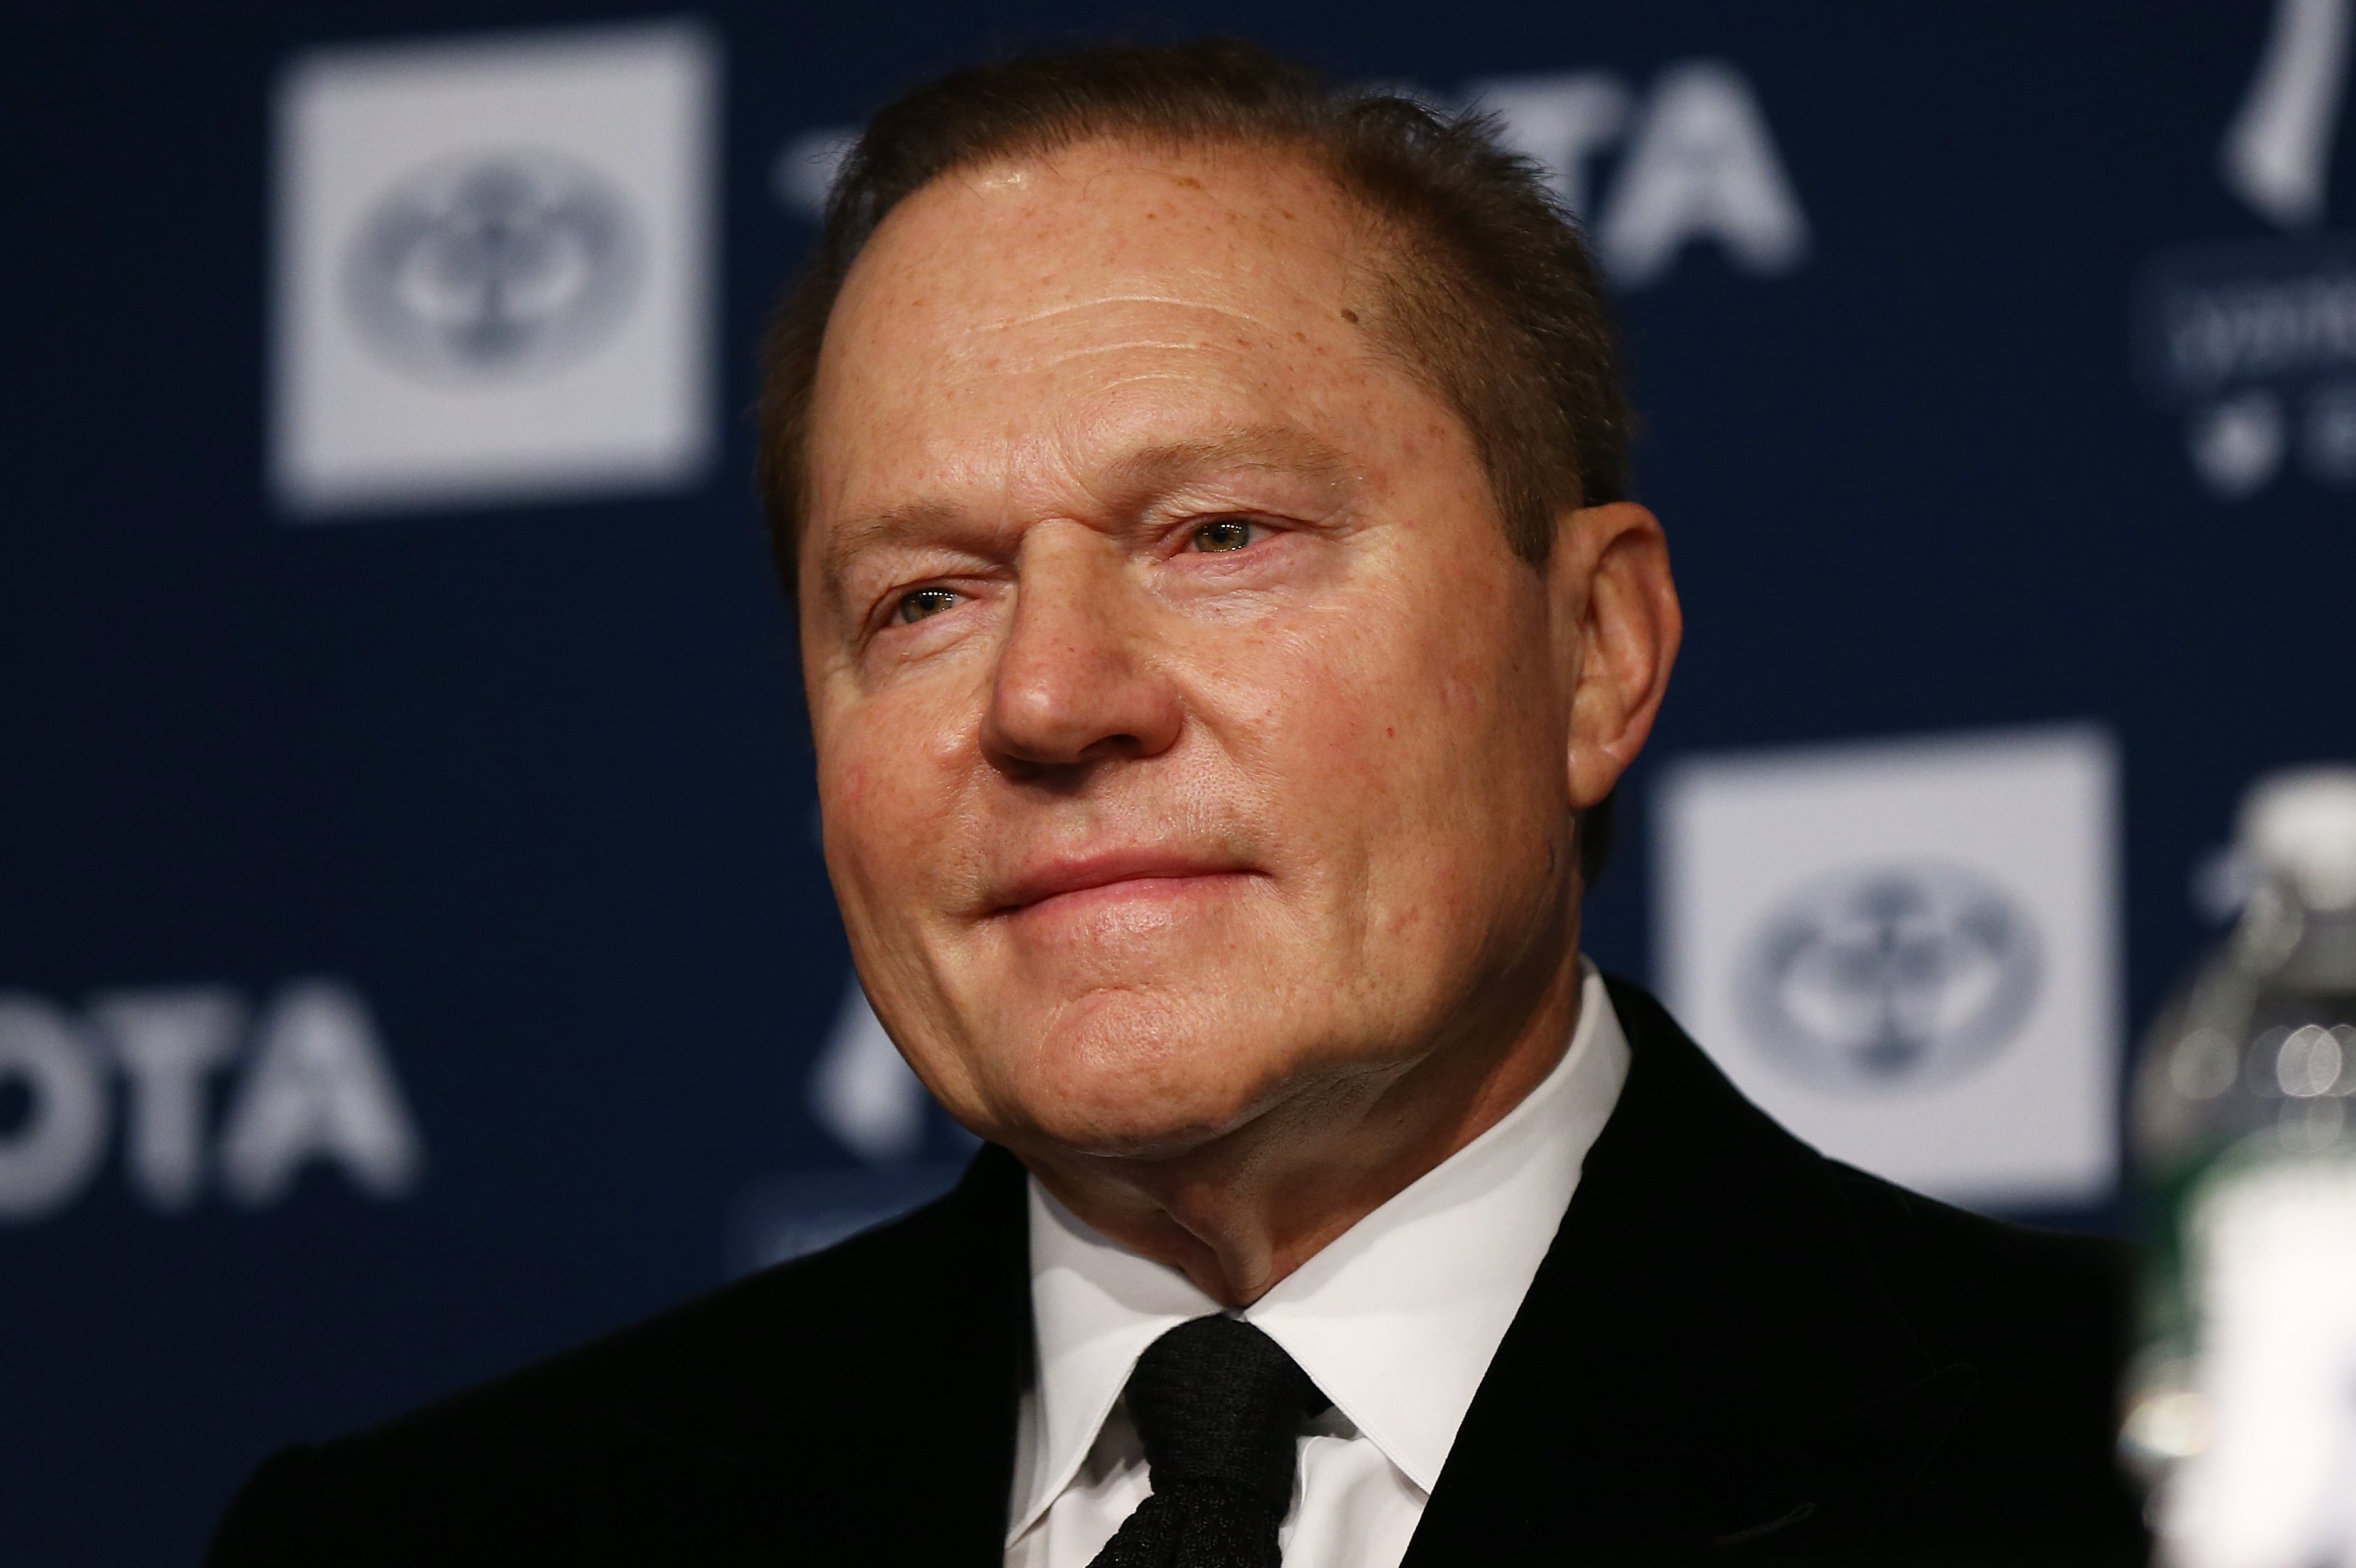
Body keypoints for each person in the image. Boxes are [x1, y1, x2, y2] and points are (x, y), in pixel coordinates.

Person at [208, 38, 2147, 1568]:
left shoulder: (2167, 1480)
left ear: (1593, 653)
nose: (1049, 697)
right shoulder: (427, 1539)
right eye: (924, 597)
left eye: (1219, 535)